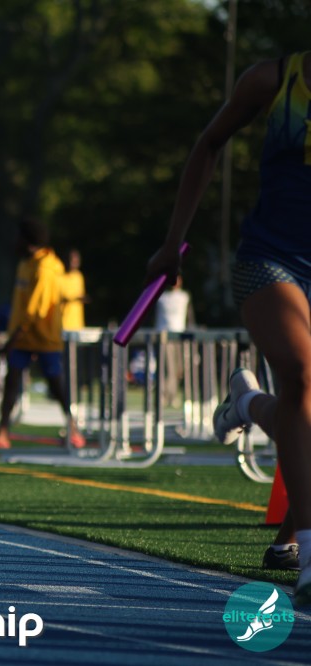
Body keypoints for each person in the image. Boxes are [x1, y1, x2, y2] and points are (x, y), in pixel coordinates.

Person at [144, 52, 311, 599]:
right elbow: (209, 143)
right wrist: (172, 242)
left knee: (303, 408)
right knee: (302, 375)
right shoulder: (273, 79)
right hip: (272, 259)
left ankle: (247, 404)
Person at [0, 217, 84, 450]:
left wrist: (12, 340)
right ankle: (2, 433)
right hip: (23, 337)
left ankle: (74, 430)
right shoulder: (26, 264)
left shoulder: (45, 268)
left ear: (27, 240)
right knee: (11, 381)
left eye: (18, 237)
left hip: (43, 337)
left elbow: (35, 310)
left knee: (55, 384)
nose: (15, 241)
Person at [153, 275, 194, 407]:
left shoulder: (184, 297)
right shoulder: (161, 297)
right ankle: (164, 395)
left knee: (179, 369)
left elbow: (189, 317)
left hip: (180, 336)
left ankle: (173, 394)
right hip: (165, 337)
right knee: (168, 368)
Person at [59, 249, 86, 332]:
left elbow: (81, 295)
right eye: (73, 261)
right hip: (63, 322)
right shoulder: (59, 276)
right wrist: (74, 298)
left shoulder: (79, 276)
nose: (75, 264)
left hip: (77, 323)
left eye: (77, 262)